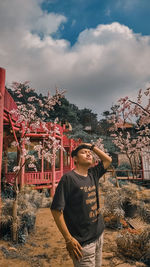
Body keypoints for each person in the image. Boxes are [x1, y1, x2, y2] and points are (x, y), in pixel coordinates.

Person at [51, 143, 112, 267]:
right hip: (83, 244)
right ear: (75, 159)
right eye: (84, 152)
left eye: (89, 153)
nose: (89, 154)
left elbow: (108, 160)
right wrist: (68, 239)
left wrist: (92, 147)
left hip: (98, 235)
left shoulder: (93, 174)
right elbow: (56, 210)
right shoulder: (68, 179)